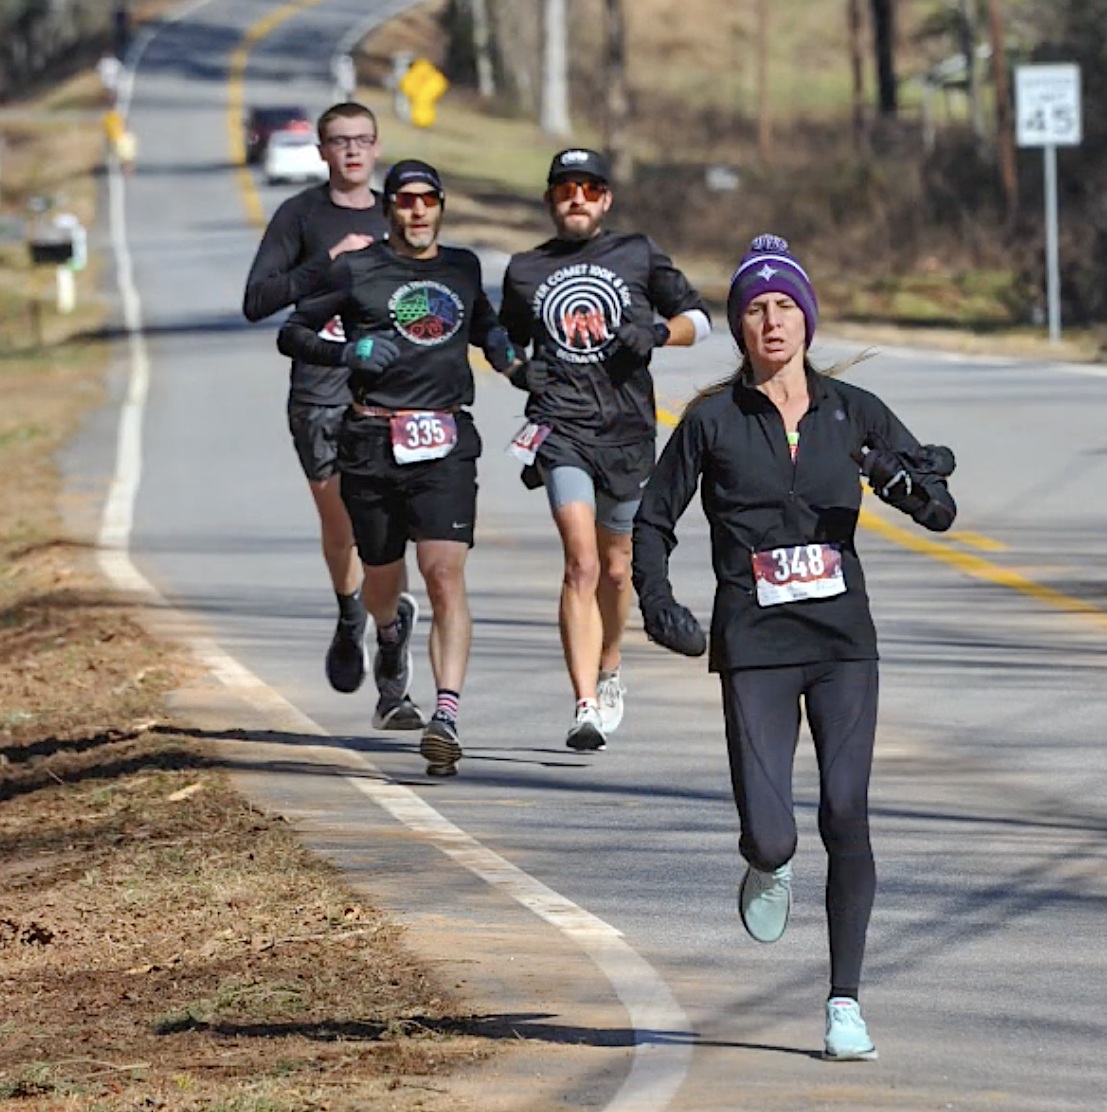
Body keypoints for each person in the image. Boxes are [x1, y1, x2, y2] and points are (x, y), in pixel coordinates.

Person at [631, 235, 957, 1062]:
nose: (771, 320)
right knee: (773, 836)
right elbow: (653, 519)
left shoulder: (855, 412)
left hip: (842, 643)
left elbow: (940, 508)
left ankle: (844, 1001)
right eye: (754, 308)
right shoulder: (709, 420)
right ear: (739, 328)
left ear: (806, 321)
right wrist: (658, 602)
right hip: (755, 646)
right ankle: (765, 865)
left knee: (846, 813)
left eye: (784, 307)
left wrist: (901, 483)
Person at [278, 160, 514, 776]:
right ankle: (387, 633)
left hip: (445, 439)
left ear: (440, 206)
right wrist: (346, 349)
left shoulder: (461, 268)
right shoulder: (355, 270)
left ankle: (446, 715)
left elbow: (483, 322)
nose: (417, 211)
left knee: (443, 574)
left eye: (427, 200)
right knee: (383, 579)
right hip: (372, 439)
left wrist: (503, 351)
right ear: (389, 209)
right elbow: (293, 332)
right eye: (405, 201)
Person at [499, 148, 712, 752]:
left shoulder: (638, 253)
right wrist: (518, 370)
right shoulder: (524, 270)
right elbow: (503, 337)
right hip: (561, 430)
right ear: (549, 200)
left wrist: (658, 333)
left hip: (627, 435)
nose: (577, 198)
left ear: (605, 200)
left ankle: (610, 665)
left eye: (589, 188)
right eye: (565, 188)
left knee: (618, 568)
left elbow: (701, 319)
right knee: (582, 563)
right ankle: (584, 704)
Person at [243, 102, 392, 701]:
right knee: (341, 522)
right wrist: (323, 267)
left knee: (386, 524)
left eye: (362, 140)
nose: (352, 151)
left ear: (376, 146)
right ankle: (351, 611)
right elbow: (257, 301)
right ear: (322, 152)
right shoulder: (299, 215)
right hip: (319, 390)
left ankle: (389, 633)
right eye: (339, 141)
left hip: (391, 393)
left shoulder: (398, 212)